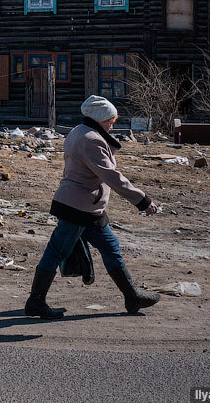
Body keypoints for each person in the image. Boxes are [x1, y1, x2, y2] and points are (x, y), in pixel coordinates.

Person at [24, 95, 161, 318]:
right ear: (99, 119)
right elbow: (111, 176)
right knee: (57, 251)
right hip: (78, 207)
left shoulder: (79, 131)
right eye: (110, 120)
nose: (113, 124)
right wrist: (142, 200)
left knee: (111, 248)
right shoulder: (91, 140)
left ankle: (132, 297)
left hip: (88, 206)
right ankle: (36, 302)